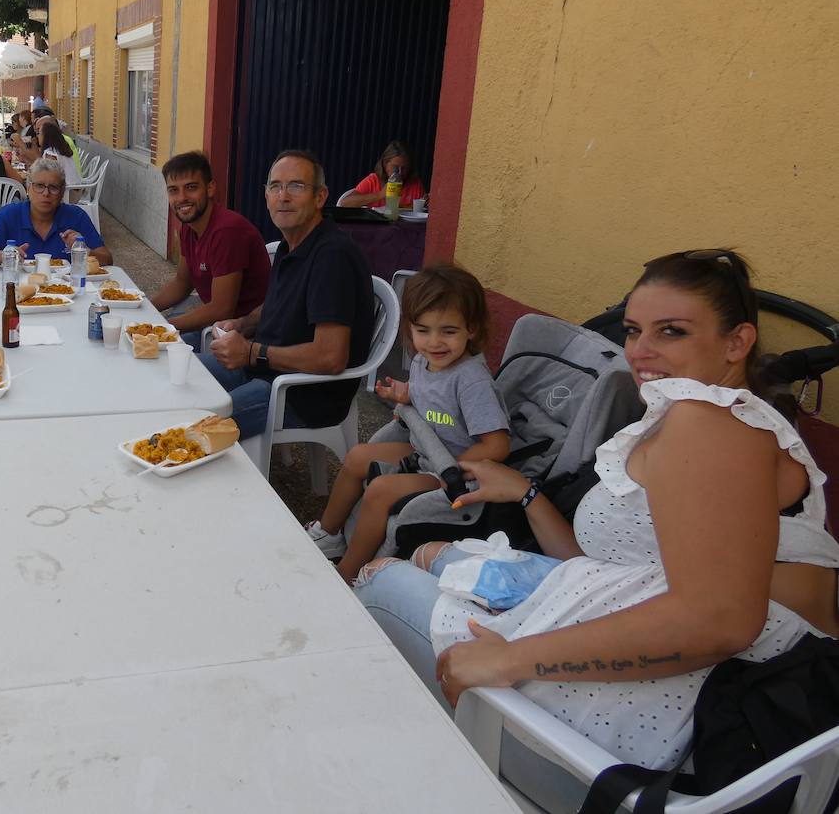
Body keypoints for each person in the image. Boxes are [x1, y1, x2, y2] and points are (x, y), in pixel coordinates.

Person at [354, 249, 839, 773]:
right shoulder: (707, 418)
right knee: (426, 552)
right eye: (633, 331)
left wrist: (512, 658)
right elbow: (607, 563)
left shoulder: (710, 424)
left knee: (380, 582)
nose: (640, 351)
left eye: (671, 331)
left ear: (737, 342)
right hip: (632, 617)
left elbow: (719, 620)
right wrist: (524, 492)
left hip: (691, 704)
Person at [304, 264, 510, 582]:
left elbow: (497, 445)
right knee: (358, 455)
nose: (434, 342)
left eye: (448, 331)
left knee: (381, 490)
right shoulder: (422, 361)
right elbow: (431, 400)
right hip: (424, 452)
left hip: (457, 474)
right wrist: (405, 394)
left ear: (471, 328)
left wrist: (452, 466)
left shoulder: (471, 381)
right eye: (423, 330)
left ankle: (346, 576)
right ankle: (329, 533)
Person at [200, 150, 373, 441]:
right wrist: (243, 324)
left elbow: (331, 357)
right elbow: (281, 303)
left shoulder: (332, 256)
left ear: (320, 197)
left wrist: (252, 352)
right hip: (265, 369)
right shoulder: (290, 244)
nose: (283, 196)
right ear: (266, 195)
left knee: (195, 427)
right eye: (275, 186)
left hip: (301, 393)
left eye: (296, 186)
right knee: (179, 381)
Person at [149, 150, 272, 351]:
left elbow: (222, 308)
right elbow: (182, 283)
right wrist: (146, 309)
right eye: (173, 190)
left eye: (191, 187)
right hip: (213, 324)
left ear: (210, 188)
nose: (181, 198)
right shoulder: (189, 227)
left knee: (158, 354)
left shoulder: (227, 231)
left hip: (244, 335)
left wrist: (163, 328)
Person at [0, 157, 111, 263]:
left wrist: (83, 251)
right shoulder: (8, 216)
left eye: (53, 188)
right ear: (28, 188)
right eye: (39, 186)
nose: (46, 193)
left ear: (62, 192)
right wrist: (4, 255)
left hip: (67, 286)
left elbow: (107, 259)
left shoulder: (76, 216)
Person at [338, 140, 427, 209]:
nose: (399, 173)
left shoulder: (415, 184)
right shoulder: (373, 180)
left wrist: (429, 203)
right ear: (385, 164)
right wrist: (380, 195)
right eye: (395, 167)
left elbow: (421, 210)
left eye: (405, 168)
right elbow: (345, 203)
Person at [36, 116, 81, 195]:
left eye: (39, 133)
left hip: (66, 194)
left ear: (45, 136)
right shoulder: (60, 149)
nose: (37, 137)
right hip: (76, 191)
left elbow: (49, 177)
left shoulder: (50, 153)